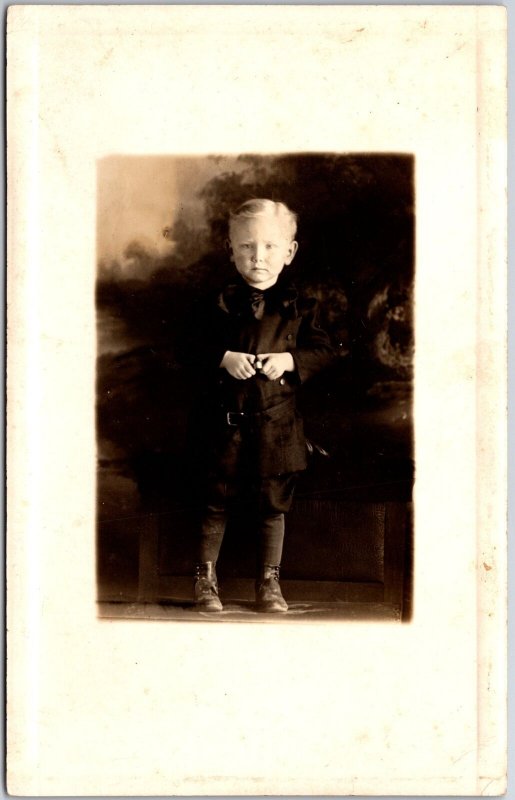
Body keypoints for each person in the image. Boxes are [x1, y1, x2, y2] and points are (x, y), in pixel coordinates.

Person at [188, 199, 335, 612]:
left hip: (277, 425)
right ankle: (205, 581)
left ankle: (269, 583)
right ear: (230, 249)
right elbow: (186, 349)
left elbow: (325, 350)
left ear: (289, 252)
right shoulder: (216, 304)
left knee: (273, 504)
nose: (258, 257)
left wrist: (289, 360)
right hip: (224, 424)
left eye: (270, 247)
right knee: (215, 499)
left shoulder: (301, 306)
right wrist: (223, 357)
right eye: (248, 247)